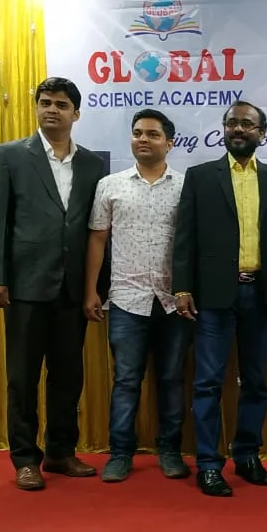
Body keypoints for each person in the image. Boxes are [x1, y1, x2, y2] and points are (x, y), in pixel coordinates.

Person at [0, 77, 106, 490]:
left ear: (76, 114)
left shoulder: (92, 165)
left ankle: (60, 452)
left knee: (68, 376)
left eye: (62, 104)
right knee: (22, 378)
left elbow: (96, 230)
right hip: (25, 286)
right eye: (45, 102)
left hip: (72, 288)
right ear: (36, 108)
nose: (52, 109)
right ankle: (24, 458)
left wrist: (96, 287)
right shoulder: (10, 156)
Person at [172, 101, 267, 497]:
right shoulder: (200, 177)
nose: (239, 129)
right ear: (224, 129)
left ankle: (247, 455)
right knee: (207, 382)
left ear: (262, 133)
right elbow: (185, 237)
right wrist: (182, 287)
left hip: (261, 295)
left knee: (256, 381)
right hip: (213, 296)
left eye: (247, 124)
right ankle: (209, 464)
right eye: (232, 123)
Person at [84, 109, 191, 484]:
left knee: (172, 379)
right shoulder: (110, 185)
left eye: (152, 134)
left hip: (173, 301)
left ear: (169, 143)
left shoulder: (186, 187)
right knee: (126, 380)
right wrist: (91, 290)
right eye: (137, 133)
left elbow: (193, 243)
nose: (143, 139)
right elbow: (98, 239)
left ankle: (170, 450)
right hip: (126, 299)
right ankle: (120, 453)